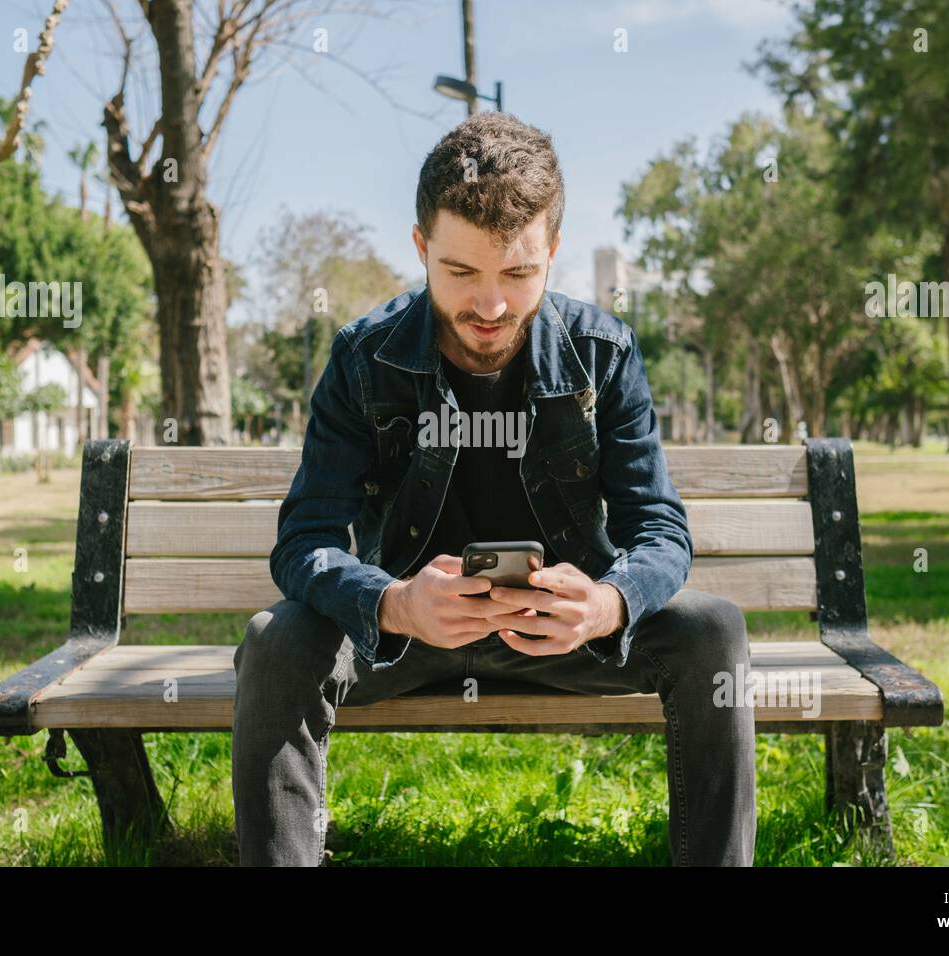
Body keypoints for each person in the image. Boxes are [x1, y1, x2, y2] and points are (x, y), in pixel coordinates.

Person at [232, 111, 755, 866]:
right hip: (402, 640)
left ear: (553, 251)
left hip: (563, 638)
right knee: (273, 641)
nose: (489, 306)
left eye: (518, 273)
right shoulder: (362, 357)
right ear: (421, 247)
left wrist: (607, 604)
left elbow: (661, 533)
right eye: (459, 273)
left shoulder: (604, 354)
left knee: (714, 630)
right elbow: (304, 541)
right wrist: (393, 602)